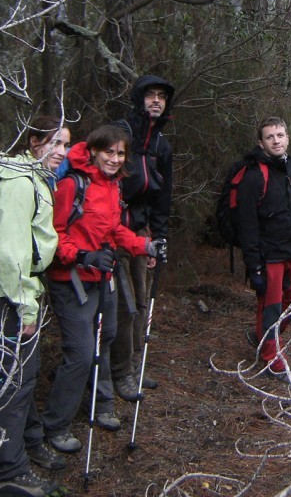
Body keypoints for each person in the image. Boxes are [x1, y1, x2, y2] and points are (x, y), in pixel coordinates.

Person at [41, 125, 166, 454]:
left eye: (120, 153)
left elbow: (115, 231)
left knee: (106, 337)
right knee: (81, 353)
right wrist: (83, 256)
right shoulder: (72, 185)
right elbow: (53, 236)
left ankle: (102, 403)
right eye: (108, 151)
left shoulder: (112, 186)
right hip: (72, 282)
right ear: (93, 151)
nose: (114, 158)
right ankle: (56, 424)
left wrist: (146, 246)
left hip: (103, 277)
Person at [0, 115, 70, 497]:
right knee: (13, 383)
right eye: (54, 142)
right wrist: (26, 308)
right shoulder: (17, 183)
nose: (60, 152)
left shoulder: (34, 178)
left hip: (17, 291)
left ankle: (29, 443)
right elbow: (11, 253)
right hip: (6, 297)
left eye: (65, 145)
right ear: (33, 141)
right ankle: (10, 471)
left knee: (24, 376)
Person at [234, 117, 291, 386]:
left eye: (280, 135)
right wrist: (253, 264)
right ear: (261, 143)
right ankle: (272, 358)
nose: (276, 140)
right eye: (270, 137)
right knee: (269, 307)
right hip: (270, 255)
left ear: (288, 138)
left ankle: (264, 336)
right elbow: (247, 225)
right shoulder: (254, 175)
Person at [110, 75, 175, 403]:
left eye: (161, 97)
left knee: (140, 301)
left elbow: (163, 196)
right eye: (150, 95)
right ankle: (121, 372)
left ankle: (134, 364)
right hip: (114, 229)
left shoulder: (162, 144)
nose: (155, 101)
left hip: (140, 230)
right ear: (140, 99)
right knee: (124, 305)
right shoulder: (124, 133)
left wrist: (157, 238)